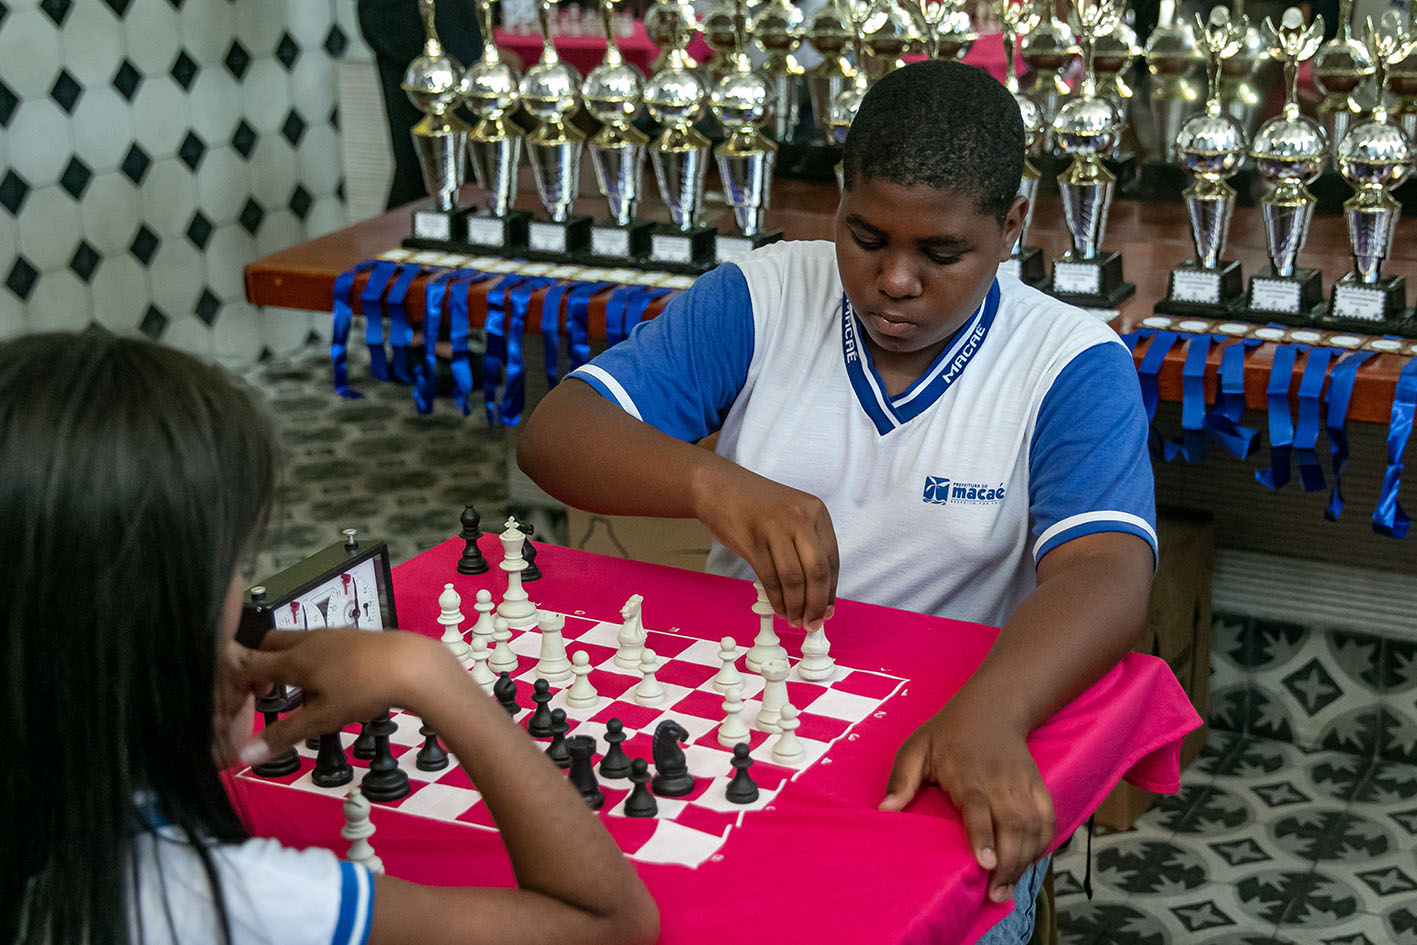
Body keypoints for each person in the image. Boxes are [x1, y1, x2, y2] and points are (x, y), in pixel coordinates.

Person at [517, 60, 1156, 942]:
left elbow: (1106, 572)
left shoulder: (1068, 361)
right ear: (836, 204)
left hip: (955, 723)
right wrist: (711, 481)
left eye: (940, 253)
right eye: (865, 236)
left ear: (1010, 227)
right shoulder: (764, 293)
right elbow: (555, 432)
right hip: (744, 702)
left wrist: (995, 711)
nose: (894, 280)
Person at [2, 332, 658, 945]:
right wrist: (426, 672)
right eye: (231, 566)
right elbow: (604, 919)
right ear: (156, 635)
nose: (243, 589)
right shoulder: (218, 897)